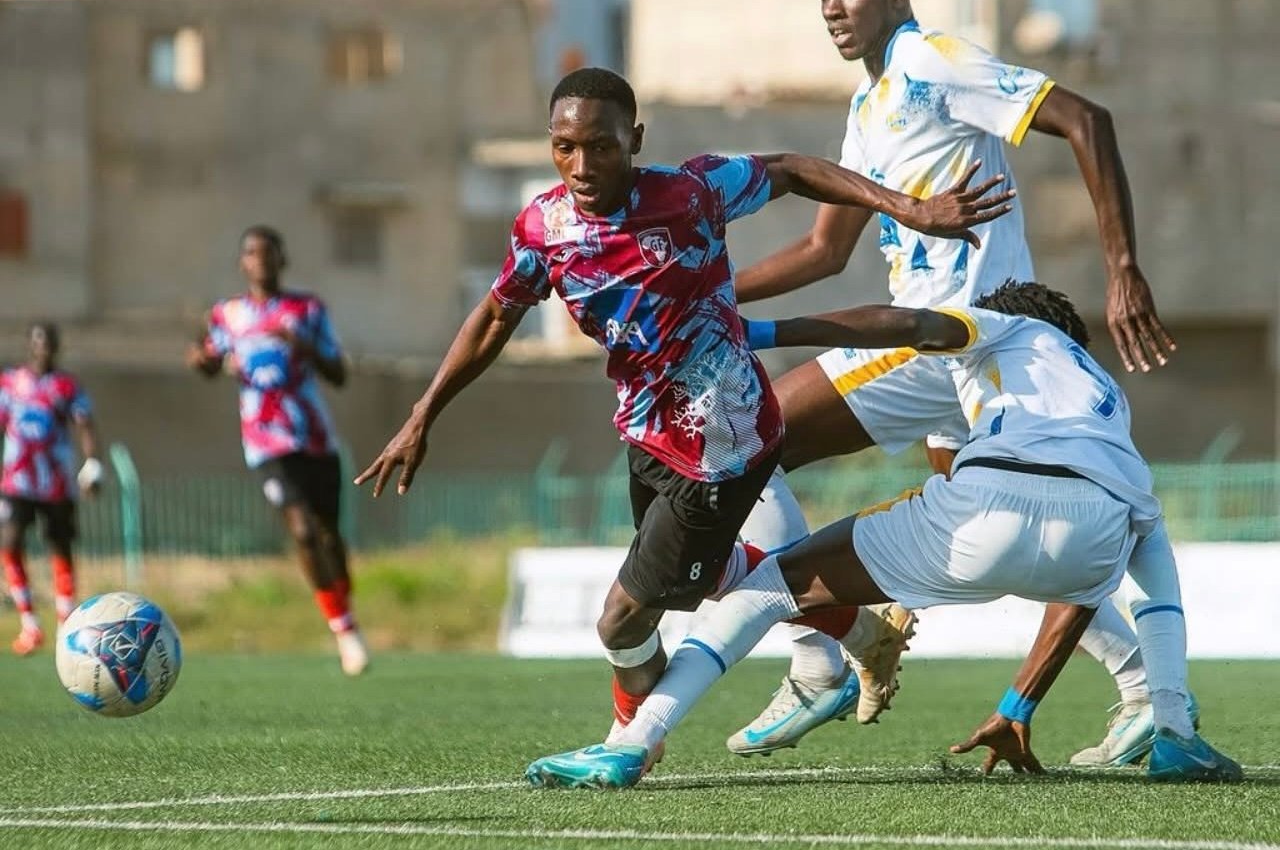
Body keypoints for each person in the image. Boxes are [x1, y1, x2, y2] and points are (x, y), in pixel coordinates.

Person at [356, 67, 1013, 745]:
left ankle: (630, 738)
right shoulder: (543, 227)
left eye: (602, 147)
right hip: (646, 434)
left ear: (634, 139)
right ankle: (859, 630)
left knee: (620, 619)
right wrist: (422, 412)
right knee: (691, 582)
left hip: (723, 443)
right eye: (564, 147)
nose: (582, 165)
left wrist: (907, 208)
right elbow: (497, 314)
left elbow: (792, 169)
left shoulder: (691, 193)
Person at [725, 0, 1175, 765]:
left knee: (746, 434)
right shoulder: (869, 106)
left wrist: (1122, 268)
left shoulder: (933, 63)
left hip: (954, 334)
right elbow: (825, 252)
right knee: (993, 544)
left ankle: (820, 656)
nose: (834, 5)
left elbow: (1086, 118)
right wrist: (706, 287)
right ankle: (1144, 688)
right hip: (963, 367)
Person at [525, 281, 1242, 788]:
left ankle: (632, 743)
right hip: (1094, 535)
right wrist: (1018, 705)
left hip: (982, 515)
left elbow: (903, 326)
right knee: (1149, 540)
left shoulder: (1008, 328)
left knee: (770, 585)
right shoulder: (1103, 393)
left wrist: (769, 332)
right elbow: (1092, 553)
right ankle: (1175, 729)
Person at [186, 226, 367, 676]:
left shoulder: (306, 309)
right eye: (251, 252)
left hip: (315, 438)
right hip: (266, 443)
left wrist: (302, 345)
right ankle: (345, 632)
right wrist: (203, 361)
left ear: (282, 259)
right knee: (303, 532)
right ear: (242, 263)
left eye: (268, 252)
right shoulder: (228, 315)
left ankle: (342, 601)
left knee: (330, 536)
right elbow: (208, 359)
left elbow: (339, 372)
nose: (260, 259)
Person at [0, 323, 102, 655]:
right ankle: (30, 624)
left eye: (49, 342)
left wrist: (93, 464)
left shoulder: (67, 385)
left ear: (57, 347)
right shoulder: (10, 383)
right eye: (37, 341)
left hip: (56, 482)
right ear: (29, 345)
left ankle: (65, 624)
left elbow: (85, 425)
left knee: (60, 545)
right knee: (10, 541)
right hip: (17, 480)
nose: (43, 347)